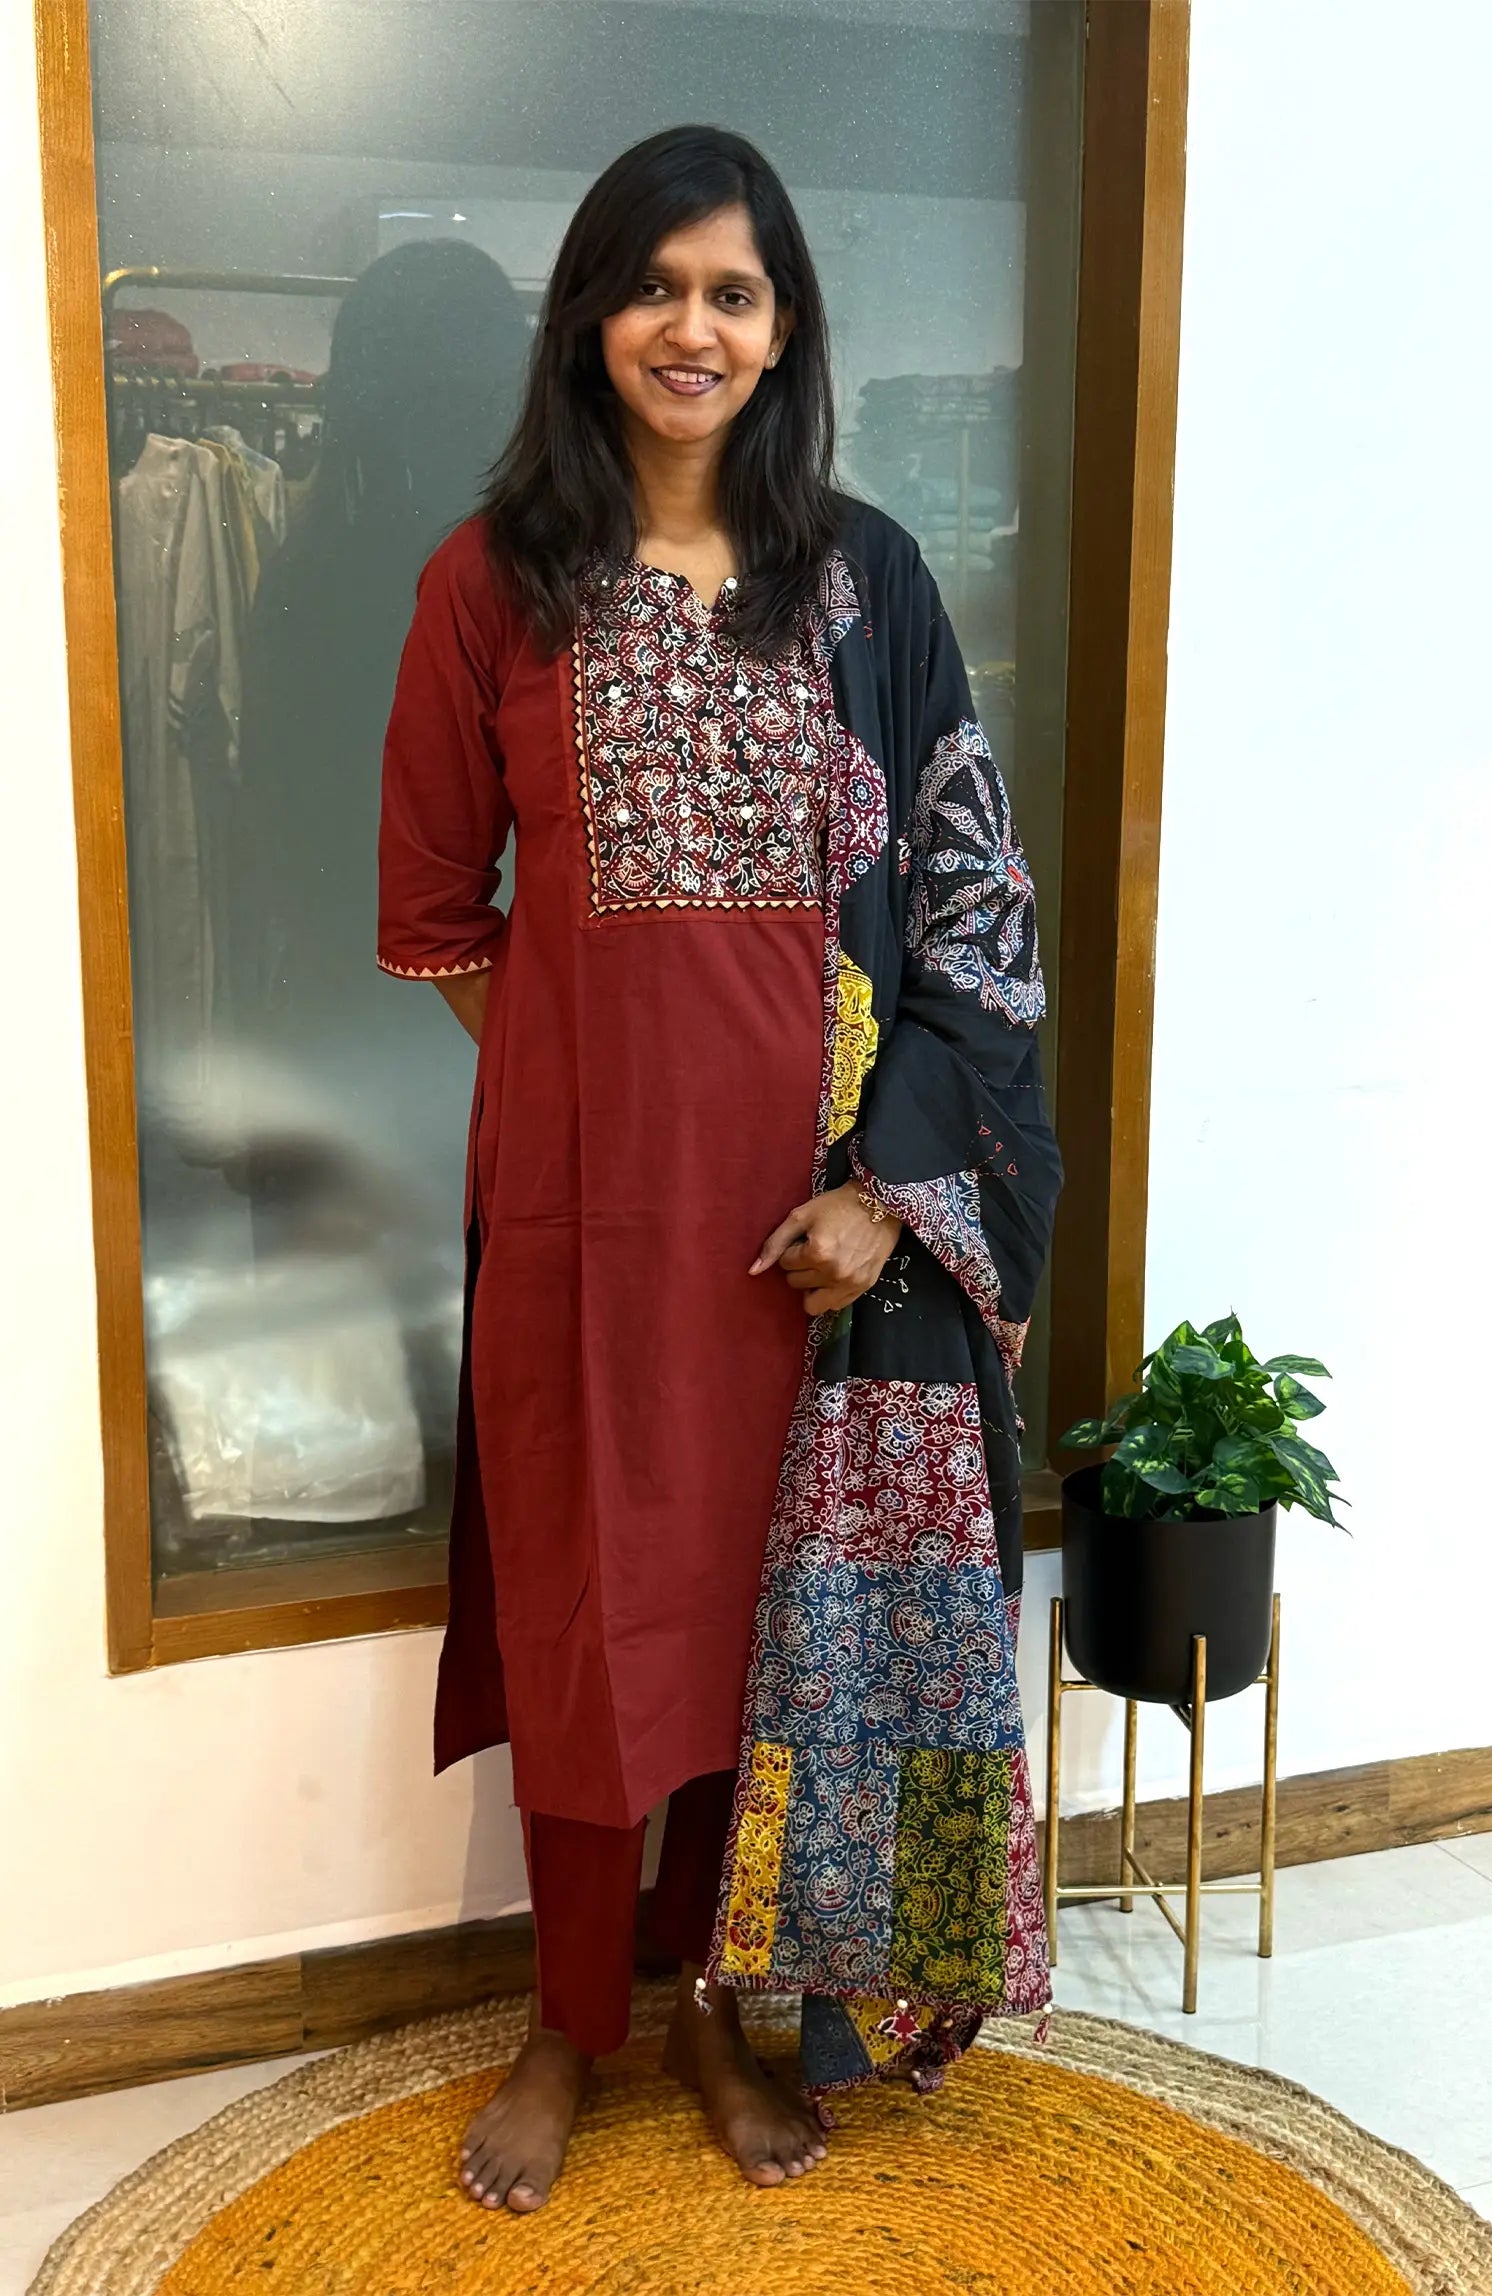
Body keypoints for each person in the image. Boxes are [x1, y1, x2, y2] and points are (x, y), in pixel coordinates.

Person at [377, 125, 1061, 2217]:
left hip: (822, 1238)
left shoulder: (868, 580)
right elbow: (436, 914)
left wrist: (885, 1189)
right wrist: (591, 1101)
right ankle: (566, 2016)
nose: (693, 327)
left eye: (734, 292)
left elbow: (972, 907)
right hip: (587, 1232)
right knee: (594, 1619)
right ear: (591, 315)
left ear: (781, 332)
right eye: (655, 286)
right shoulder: (490, 582)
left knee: (780, 1635)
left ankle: (717, 2008)